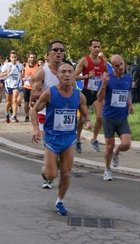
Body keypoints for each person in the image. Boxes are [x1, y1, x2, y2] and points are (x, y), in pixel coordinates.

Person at [31, 63, 93, 215]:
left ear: (74, 76)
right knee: (51, 175)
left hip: (69, 139)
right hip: (52, 138)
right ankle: (46, 170)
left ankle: (60, 202)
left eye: (70, 72)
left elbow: (85, 114)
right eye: (63, 72)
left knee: (66, 173)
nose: (66, 75)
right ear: (57, 76)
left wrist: (87, 121)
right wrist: (36, 129)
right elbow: (34, 110)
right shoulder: (49, 93)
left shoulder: (79, 96)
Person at [30, 40, 65, 189]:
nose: (58, 53)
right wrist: (49, 95)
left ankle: (52, 168)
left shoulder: (67, 70)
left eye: (61, 50)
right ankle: (48, 177)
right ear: (49, 54)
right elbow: (33, 93)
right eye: (55, 50)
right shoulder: (42, 71)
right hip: (45, 113)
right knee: (49, 146)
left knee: (61, 149)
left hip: (63, 115)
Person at [97, 54, 134, 181]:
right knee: (109, 146)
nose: (120, 67)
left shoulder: (128, 79)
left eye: (121, 64)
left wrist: (129, 104)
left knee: (126, 144)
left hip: (122, 117)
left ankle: (116, 152)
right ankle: (107, 170)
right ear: (112, 67)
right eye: (116, 65)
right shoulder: (108, 79)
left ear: (124, 63)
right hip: (109, 117)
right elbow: (99, 98)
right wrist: (103, 85)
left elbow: (127, 93)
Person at [74, 39, 109, 153]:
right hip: (86, 92)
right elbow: (74, 76)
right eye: (94, 47)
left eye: (98, 47)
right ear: (89, 48)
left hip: (97, 93)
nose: (97, 49)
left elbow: (107, 74)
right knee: (81, 119)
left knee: (100, 116)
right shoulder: (84, 60)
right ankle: (78, 141)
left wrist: (105, 81)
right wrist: (87, 76)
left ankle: (94, 139)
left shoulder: (103, 61)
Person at [0, 50, 24, 123]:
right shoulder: (6, 65)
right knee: (8, 101)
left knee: (15, 100)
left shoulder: (20, 65)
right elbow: (0, 75)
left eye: (15, 57)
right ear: (10, 58)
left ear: (17, 57)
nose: (14, 58)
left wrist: (22, 76)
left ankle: (14, 115)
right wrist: (7, 72)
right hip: (8, 85)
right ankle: (7, 114)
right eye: (12, 57)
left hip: (16, 84)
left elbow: (23, 74)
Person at [22, 52, 39, 122]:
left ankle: (34, 115)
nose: (32, 59)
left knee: (33, 103)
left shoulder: (38, 66)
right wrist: (22, 77)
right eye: (31, 57)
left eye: (34, 58)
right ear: (28, 58)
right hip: (26, 86)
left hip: (34, 87)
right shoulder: (24, 65)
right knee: (26, 103)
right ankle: (26, 115)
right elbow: (21, 74)